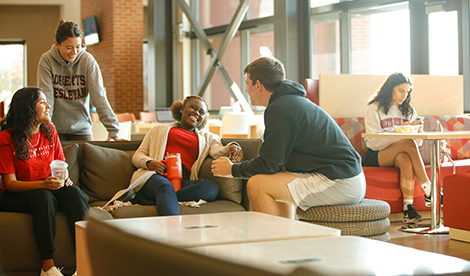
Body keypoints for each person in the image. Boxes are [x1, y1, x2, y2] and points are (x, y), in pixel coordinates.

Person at [211, 56, 366, 219]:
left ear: (258, 85)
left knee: (257, 185)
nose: (246, 90)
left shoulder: (280, 109)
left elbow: (268, 164)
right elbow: (275, 164)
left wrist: (231, 170)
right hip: (348, 178)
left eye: (247, 84)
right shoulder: (289, 102)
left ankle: (272, 242)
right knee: (273, 180)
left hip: (340, 182)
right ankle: (284, 238)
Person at [0, 87, 89, 276]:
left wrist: (63, 180)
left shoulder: (49, 130)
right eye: (42, 102)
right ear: (28, 108)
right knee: (43, 196)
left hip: (46, 189)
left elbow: (61, 165)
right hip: (16, 194)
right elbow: (10, 183)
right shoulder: (6, 137)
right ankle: (48, 266)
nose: (48, 106)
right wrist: (44, 184)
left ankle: (85, 262)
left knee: (75, 193)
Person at [115, 95, 243, 216]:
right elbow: (138, 155)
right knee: (165, 186)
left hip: (182, 180)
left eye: (201, 112)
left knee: (211, 188)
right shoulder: (157, 130)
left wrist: (232, 146)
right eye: (193, 108)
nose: (197, 113)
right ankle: (175, 227)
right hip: (156, 176)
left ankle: (159, 198)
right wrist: (150, 163)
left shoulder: (207, 137)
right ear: (182, 109)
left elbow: (218, 152)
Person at [37, 19, 123, 142]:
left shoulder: (87, 61)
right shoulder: (47, 60)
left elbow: (99, 97)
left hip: (81, 128)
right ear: (57, 44)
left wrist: (113, 130)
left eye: (78, 47)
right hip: (54, 128)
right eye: (69, 47)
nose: (74, 52)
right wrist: (46, 128)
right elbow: (47, 98)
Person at [363, 72, 431, 223]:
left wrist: (417, 131)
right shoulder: (374, 108)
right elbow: (373, 142)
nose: (404, 96)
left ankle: (408, 209)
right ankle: (429, 189)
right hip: (377, 155)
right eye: (401, 91)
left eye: (407, 92)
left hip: (401, 152)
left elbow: (416, 144)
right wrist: (400, 130)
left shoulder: (409, 110)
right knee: (406, 143)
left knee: (405, 159)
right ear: (390, 88)